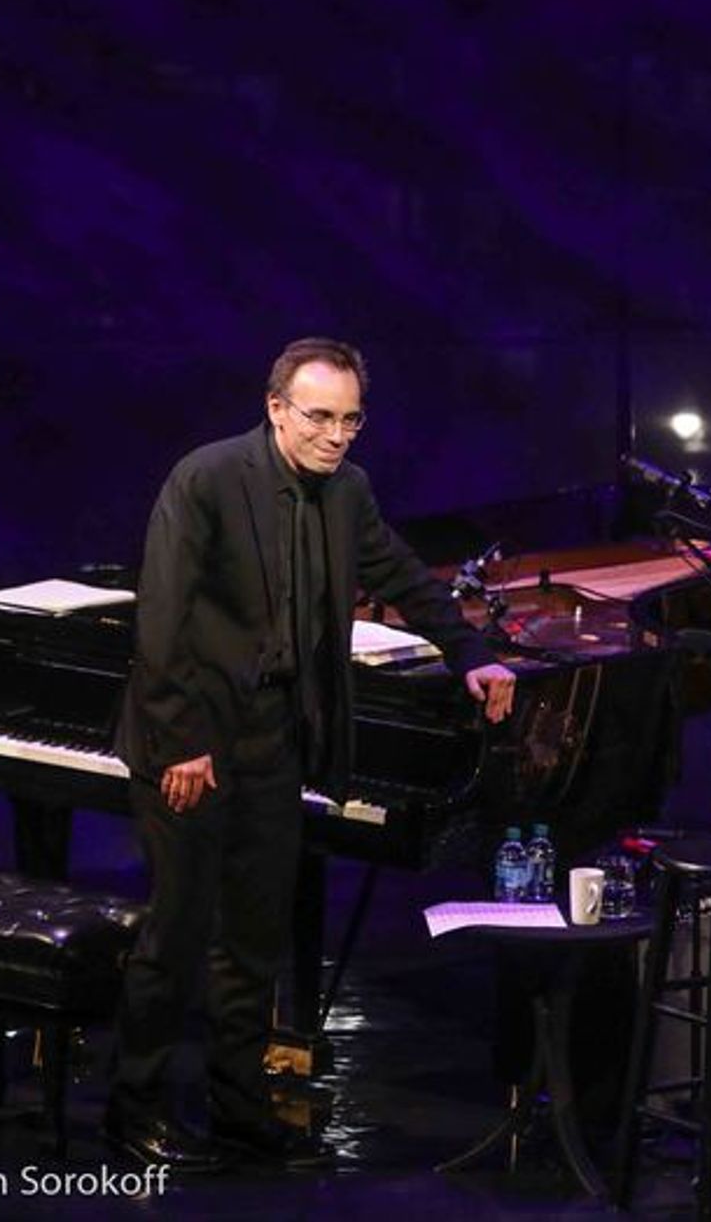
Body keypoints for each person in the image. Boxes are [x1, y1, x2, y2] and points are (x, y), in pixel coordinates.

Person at [107, 337, 516, 1171]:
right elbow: (163, 617)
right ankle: (134, 1109)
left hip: (276, 738)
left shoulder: (348, 491)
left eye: (351, 419)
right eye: (320, 416)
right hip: (192, 735)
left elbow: (401, 573)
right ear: (276, 409)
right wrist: (184, 743)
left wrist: (470, 650)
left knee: (252, 941)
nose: (337, 435)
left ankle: (239, 1108)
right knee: (177, 932)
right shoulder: (208, 477)